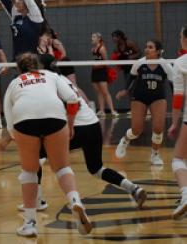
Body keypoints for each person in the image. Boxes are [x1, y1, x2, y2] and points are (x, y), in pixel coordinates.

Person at [13, 54, 146, 212]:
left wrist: (69, 126)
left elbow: (65, 104)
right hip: (93, 124)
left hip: (77, 127)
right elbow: (79, 96)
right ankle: (134, 188)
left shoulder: (45, 81)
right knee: (96, 168)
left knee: (36, 156)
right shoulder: (62, 78)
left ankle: (38, 201)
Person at [1, 52, 92, 237]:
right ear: (39, 65)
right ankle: (75, 201)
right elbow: (73, 98)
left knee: (29, 171)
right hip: (55, 117)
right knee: (62, 168)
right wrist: (71, 124)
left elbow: (8, 114)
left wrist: (12, 134)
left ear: (18, 68)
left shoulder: (15, 82)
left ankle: (29, 223)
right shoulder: (52, 76)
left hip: (24, 118)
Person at [115, 40, 174, 166]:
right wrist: (125, 90)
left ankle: (155, 154)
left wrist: (176, 98)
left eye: (150, 47)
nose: (146, 49)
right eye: (146, 46)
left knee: (158, 128)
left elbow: (172, 83)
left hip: (158, 97)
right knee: (136, 130)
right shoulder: (139, 63)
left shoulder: (165, 65)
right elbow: (131, 77)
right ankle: (125, 140)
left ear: (158, 51)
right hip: (139, 97)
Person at [167, 26, 187, 219]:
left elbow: (178, 98)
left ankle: (186, 195)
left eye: (180, 37)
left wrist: (174, 123)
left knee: (178, 159)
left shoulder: (180, 62)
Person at [91, 33, 118, 117]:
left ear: (99, 39)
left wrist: (97, 65)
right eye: (92, 37)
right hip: (94, 72)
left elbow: (106, 63)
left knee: (105, 92)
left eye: (94, 37)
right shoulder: (92, 49)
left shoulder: (102, 48)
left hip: (102, 72)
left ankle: (112, 110)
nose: (91, 38)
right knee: (98, 92)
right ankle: (102, 110)